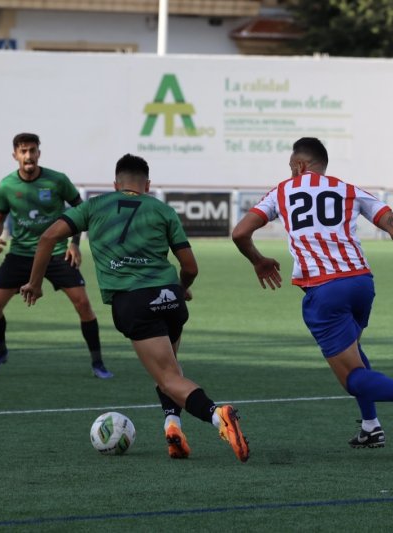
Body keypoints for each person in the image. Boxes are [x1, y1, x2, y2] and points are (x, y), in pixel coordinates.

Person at [20, 153, 250, 462]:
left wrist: (35, 283)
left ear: (115, 184)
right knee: (170, 370)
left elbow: (47, 237)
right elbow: (190, 266)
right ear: (148, 185)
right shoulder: (163, 209)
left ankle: (216, 414)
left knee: (168, 377)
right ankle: (173, 427)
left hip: (134, 302)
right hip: (170, 298)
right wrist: (182, 288)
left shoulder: (94, 206)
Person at [232, 137, 393, 449]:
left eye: (291, 168)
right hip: (361, 283)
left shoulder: (282, 192)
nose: (290, 174)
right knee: (353, 347)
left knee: (350, 377)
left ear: (299, 165)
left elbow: (239, 232)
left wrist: (258, 261)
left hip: (324, 290)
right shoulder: (349, 190)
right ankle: (371, 427)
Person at [0, 133, 112, 379]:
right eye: (23, 151)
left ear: (39, 153)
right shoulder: (7, 185)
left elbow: (81, 210)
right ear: (15, 155)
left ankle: (98, 363)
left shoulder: (57, 180)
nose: (28, 156)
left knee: (84, 305)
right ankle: (0, 351)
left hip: (57, 253)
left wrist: (75, 243)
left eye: (32, 150)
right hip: (20, 254)